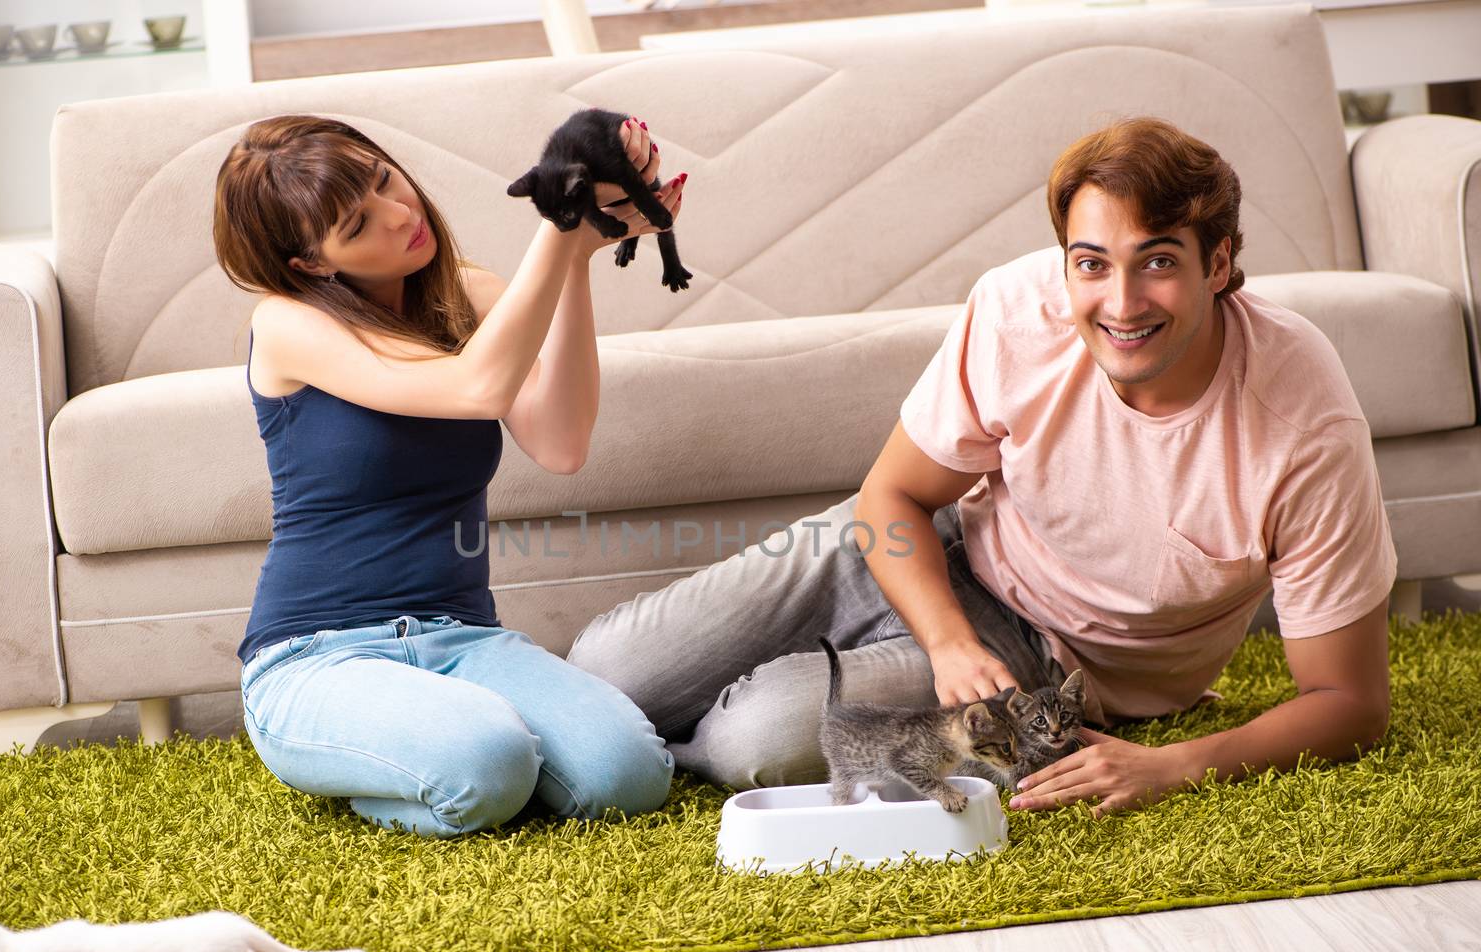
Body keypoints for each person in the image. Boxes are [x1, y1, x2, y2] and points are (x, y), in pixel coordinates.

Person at [567, 117, 1396, 817]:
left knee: (758, 741)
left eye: (1160, 261)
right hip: (928, 547)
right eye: (1092, 262)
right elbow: (891, 495)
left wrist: (1173, 763)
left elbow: (1348, 704)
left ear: (1217, 266)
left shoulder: (1301, 424)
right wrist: (945, 639)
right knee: (608, 673)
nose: (1121, 301)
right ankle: (590, 738)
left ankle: (637, 757)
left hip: (1047, 660)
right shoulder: (1017, 309)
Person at [212, 114, 685, 838]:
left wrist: (580, 256)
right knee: (486, 760)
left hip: (463, 639)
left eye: (385, 180)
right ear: (312, 263)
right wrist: (556, 227)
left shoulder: (467, 294)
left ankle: (445, 752)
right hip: (314, 657)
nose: (402, 214)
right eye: (359, 222)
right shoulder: (287, 323)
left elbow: (560, 444)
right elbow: (475, 389)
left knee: (627, 776)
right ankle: (430, 762)